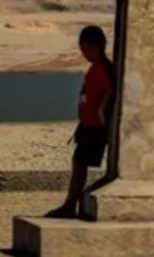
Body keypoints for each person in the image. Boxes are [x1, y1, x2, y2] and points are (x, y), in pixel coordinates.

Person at [46, 26, 114, 219]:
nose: (83, 53)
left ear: (90, 47)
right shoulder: (98, 67)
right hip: (87, 126)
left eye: (84, 49)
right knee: (79, 163)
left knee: (80, 165)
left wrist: (102, 112)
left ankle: (70, 205)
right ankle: (71, 203)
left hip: (94, 127)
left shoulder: (102, 68)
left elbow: (110, 90)